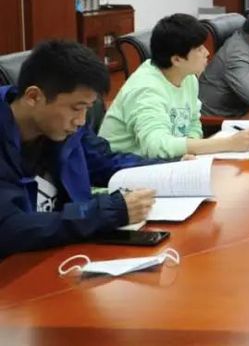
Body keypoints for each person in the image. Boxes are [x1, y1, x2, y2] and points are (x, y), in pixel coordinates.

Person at [0, 41, 157, 257]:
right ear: (34, 97)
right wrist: (103, 213)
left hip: (64, 253)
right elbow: (9, 228)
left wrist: (175, 165)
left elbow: (105, 162)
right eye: (76, 108)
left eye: (87, 109)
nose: (81, 121)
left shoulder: (62, 128)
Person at [100, 14, 249, 158]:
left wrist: (188, 151)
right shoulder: (146, 89)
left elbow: (193, 122)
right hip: (124, 169)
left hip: (165, 164)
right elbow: (155, 146)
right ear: (176, 60)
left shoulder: (188, 76)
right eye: (199, 49)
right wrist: (227, 144)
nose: (206, 52)